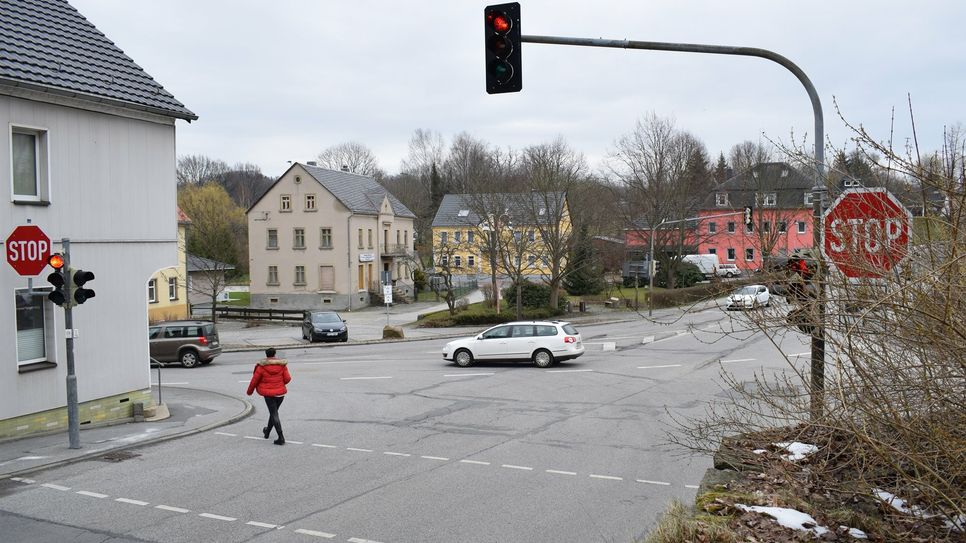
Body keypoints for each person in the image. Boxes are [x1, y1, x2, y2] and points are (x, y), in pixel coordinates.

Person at [246, 347, 291, 445]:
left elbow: (254, 381)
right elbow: (287, 379)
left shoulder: (261, 366)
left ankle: (281, 437)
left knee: (274, 413)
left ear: (266, 355)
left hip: (269, 395)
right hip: (280, 394)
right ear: (274, 354)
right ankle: (267, 432)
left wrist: (249, 392)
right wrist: (279, 383)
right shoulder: (282, 365)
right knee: (273, 413)